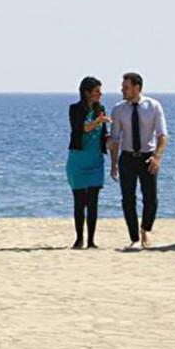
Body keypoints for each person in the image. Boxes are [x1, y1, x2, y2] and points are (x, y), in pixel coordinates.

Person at [108, 72, 168, 250]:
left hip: (147, 156)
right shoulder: (119, 109)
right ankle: (134, 237)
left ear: (137, 87)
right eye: (122, 87)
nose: (122, 90)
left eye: (126, 87)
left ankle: (145, 230)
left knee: (151, 198)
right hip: (127, 157)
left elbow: (162, 135)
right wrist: (113, 164)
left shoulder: (153, 106)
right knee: (128, 199)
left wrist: (157, 157)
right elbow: (115, 139)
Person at [67, 77, 109, 249]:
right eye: (97, 91)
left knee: (93, 202)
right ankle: (79, 238)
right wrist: (98, 121)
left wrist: (112, 140)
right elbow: (81, 128)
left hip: (96, 162)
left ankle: (91, 240)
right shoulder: (75, 109)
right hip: (78, 161)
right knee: (79, 201)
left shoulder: (101, 109)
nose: (100, 94)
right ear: (87, 92)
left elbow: (103, 134)